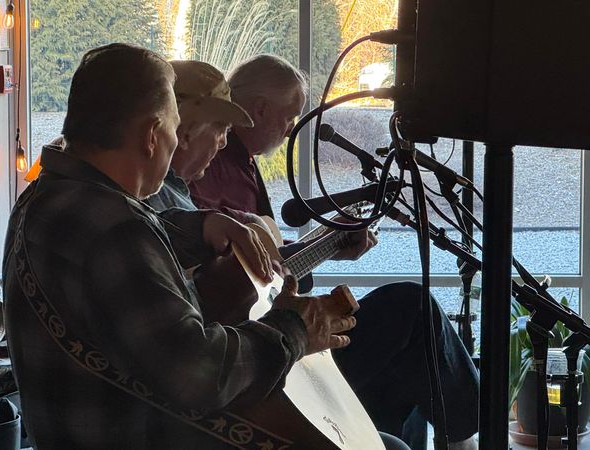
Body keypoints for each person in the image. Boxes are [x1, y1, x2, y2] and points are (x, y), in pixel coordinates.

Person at [2, 44, 407, 450]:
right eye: (174, 127)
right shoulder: (117, 230)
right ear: (151, 135)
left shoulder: (44, 197)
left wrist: (202, 225)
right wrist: (294, 330)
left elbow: (135, 243)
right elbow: (198, 375)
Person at [185, 54, 479, 450]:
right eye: (289, 118)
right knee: (411, 308)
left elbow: (269, 272)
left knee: (404, 362)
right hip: (272, 355)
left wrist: (329, 245)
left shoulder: (242, 166)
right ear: (260, 109)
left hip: (280, 338)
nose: (291, 130)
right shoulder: (213, 168)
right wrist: (319, 247)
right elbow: (226, 281)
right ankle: (469, 437)